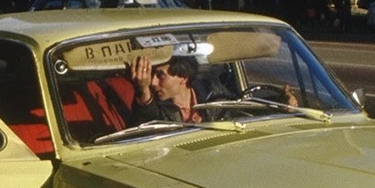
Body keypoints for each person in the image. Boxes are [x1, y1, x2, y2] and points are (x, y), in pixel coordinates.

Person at [127, 55, 297, 124]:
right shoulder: (156, 106)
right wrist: (143, 90)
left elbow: (242, 110)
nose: (153, 82)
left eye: (160, 75)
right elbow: (146, 123)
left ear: (183, 77)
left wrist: (279, 103)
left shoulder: (213, 93)